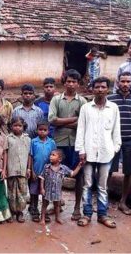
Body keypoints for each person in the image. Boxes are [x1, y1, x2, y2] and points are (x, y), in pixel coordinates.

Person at [75, 77, 121, 228]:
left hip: (106, 153)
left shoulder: (113, 108)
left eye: (103, 87)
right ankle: (87, 214)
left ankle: (102, 215)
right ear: (92, 89)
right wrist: (81, 150)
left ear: (107, 89)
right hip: (88, 153)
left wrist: (114, 149)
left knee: (102, 186)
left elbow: (116, 131)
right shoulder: (86, 108)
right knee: (87, 184)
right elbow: (80, 130)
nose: (100, 89)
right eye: (97, 87)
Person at [48, 69, 87, 221]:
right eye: (68, 81)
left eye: (74, 82)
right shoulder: (56, 100)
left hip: (77, 143)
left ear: (78, 84)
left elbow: (83, 124)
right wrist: (74, 120)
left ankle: (77, 208)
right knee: (55, 174)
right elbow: (52, 119)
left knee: (79, 175)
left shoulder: (83, 102)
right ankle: (56, 204)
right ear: (64, 83)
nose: (71, 84)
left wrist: (62, 122)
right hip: (59, 142)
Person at [107, 71, 131, 215]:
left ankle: (123, 202)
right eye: (123, 81)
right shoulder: (110, 99)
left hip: (129, 140)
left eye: (128, 81)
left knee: (128, 171)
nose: (125, 84)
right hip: (112, 141)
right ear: (118, 82)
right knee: (108, 170)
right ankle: (105, 201)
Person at [39, 149, 81, 225]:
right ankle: (42, 219)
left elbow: (72, 174)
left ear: (60, 159)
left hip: (57, 191)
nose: (51, 156)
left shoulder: (63, 168)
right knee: (44, 204)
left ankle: (57, 217)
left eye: (53, 155)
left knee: (57, 205)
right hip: (47, 190)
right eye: (50, 155)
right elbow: (42, 178)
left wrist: (79, 166)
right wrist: (42, 188)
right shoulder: (46, 167)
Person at [29, 121, 57, 222]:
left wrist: (53, 171)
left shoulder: (52, 142)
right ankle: (34, 211)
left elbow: (55, 157)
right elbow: (31, 156)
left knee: (46, 194)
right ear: (37, 130)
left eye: (45, 130)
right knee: (34, 192)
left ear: (48, 131)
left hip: (47, 174)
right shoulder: (33, 142)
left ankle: (44, 213)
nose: (42, 132)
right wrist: (31, 170)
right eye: (40, 130)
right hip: (36, 171)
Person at [6, 116, 31, 223]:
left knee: (22, 192)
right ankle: (11, 212)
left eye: (20, 126)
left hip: (23, 170)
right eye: (15, 126)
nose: (17, 128)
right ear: (11, 127)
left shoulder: (28, 139)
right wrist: (5, 169)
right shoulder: (8, 138)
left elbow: (30, 155)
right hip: (11, 169)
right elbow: (5, 154)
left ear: (23, 126)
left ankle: (20, 212)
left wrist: (29, 168)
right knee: (11, 192)